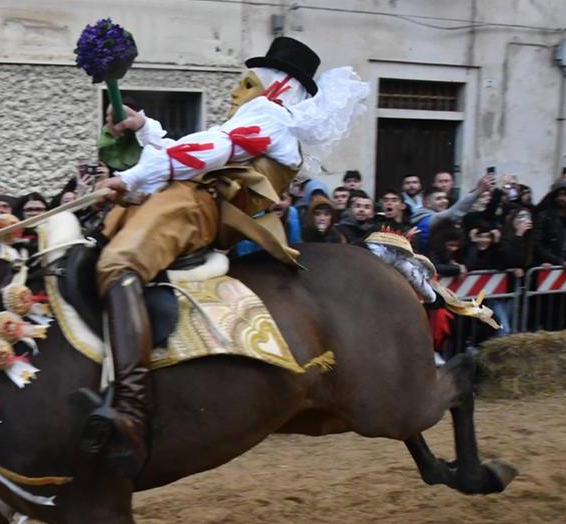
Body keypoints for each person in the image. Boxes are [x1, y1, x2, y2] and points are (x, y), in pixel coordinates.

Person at [90, 36, 368, 471]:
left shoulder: (271, 117)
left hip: (190, 207)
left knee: (117, 264)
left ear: (275, 87)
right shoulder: (260, 121)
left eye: (244, 83)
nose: (235, 92)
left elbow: (205, 153)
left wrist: (130, 179)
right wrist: (142, 127)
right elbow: (192, 150)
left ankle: (129, 409)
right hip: (186, 200)